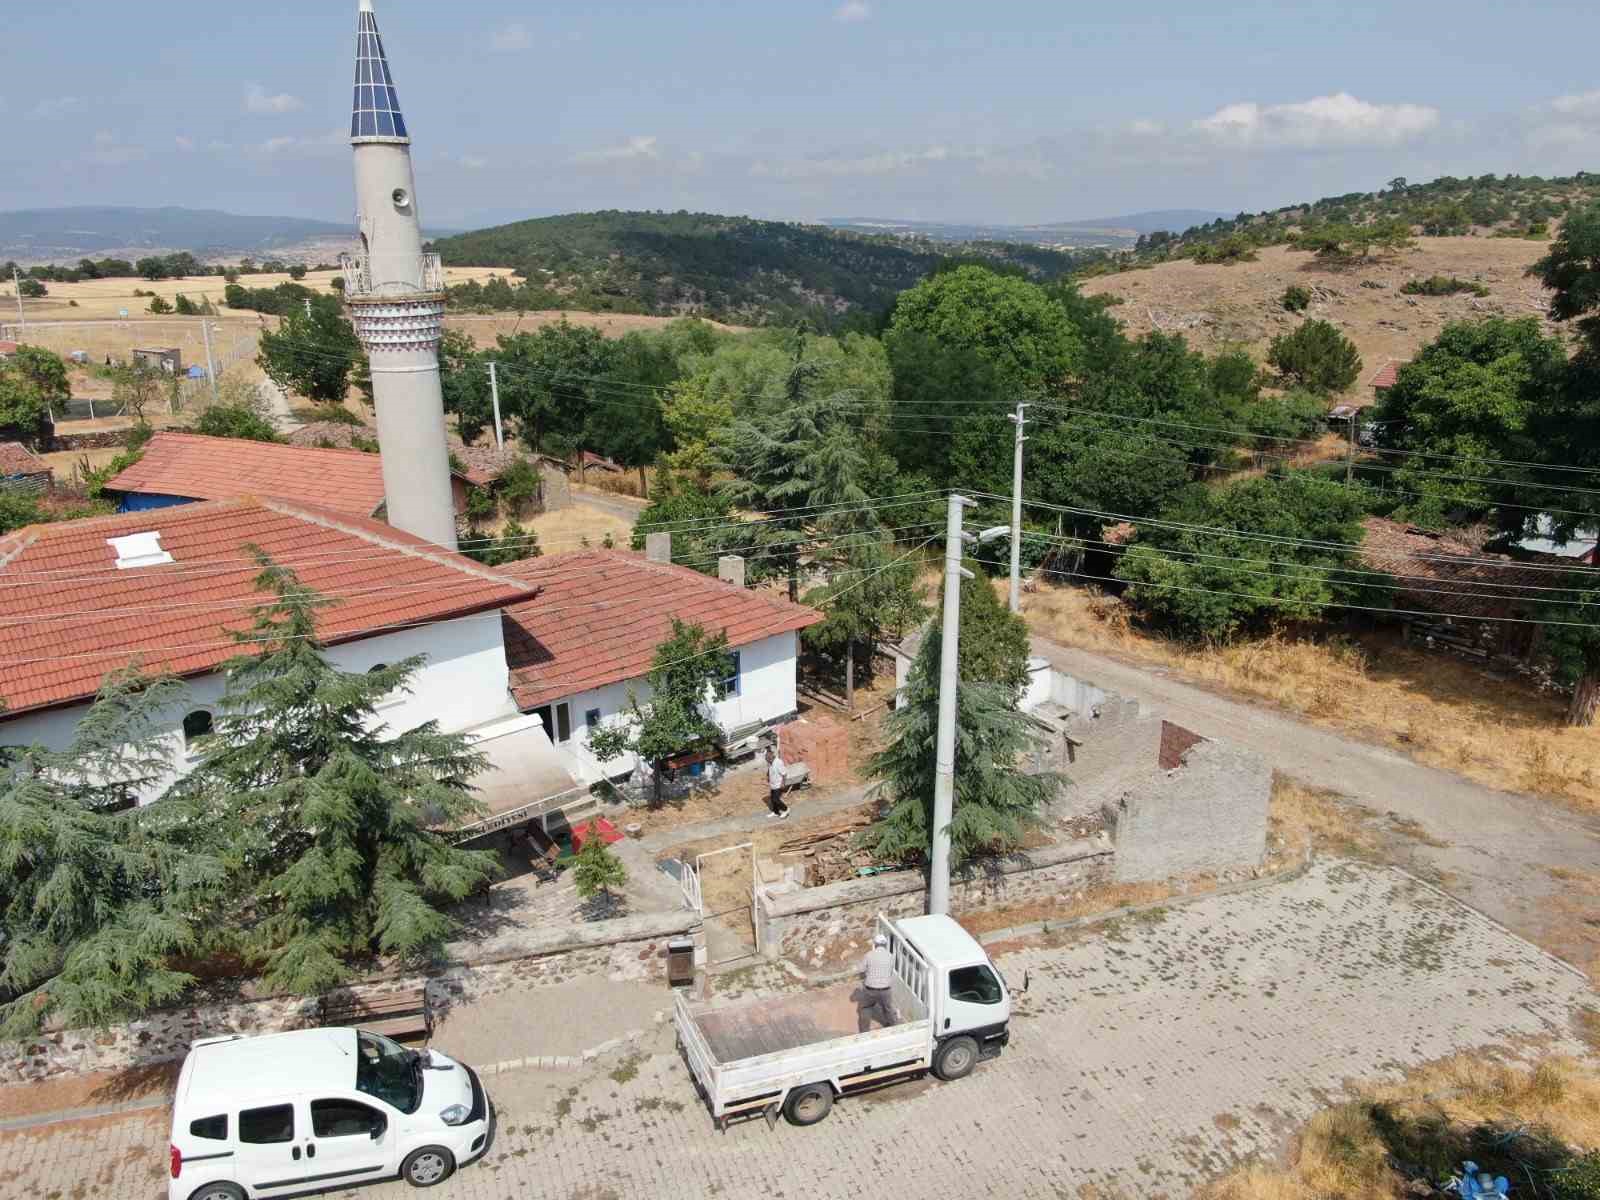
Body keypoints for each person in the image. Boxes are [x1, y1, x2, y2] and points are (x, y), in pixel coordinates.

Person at [857, 933, 898, 1032]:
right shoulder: (891, 956)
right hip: (886, 990)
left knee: (866, 1008)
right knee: (888, 1009)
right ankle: (894, 1028)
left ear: (875, 944)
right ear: (885, 944)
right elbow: (890, 971)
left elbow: (861, 969)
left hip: (870, 989)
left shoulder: (869, 955)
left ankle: (864, 1031)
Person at [764, 747, 790, 819]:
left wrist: (783, 783)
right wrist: (768, 776)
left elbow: (784, 774)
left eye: (767, 759)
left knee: (776, 799)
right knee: (772, 799)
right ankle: (776, 812)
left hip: (778, 784)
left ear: (770, 757)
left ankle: (786, 810)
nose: (767, 761)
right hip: (773, 784)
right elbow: (769, 770)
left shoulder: (778, 762)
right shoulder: (770, 763)